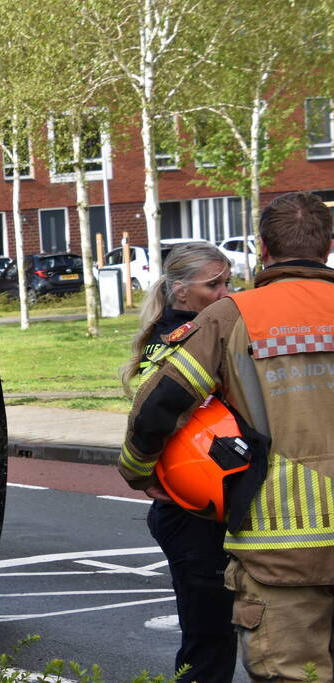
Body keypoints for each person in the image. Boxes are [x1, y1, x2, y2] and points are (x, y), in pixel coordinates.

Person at [119, 191, 334, 682]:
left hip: (285, 542)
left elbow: (161, 404)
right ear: (329, 245)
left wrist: (138, 470)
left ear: (261, 248)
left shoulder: (231, 317)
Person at [119, 242, 235, 683]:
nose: (226, 293)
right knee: (208, 640)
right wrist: (139, 472)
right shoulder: (179, 344)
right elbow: (155, 416)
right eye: (214, 285)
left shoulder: (206, 329)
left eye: (229, 282)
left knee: (217, 633)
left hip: (210, 502)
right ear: (181, 292)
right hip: (189, 511)